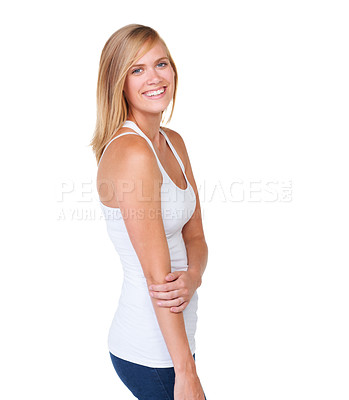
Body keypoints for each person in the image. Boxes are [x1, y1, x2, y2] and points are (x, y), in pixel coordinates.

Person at [91, 24, 208, 400]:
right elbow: (158, 280)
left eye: (161, 64)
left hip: (176, 343)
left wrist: (193, 276)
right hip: (151, 351)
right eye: (137, 69)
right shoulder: (133, 153)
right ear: (118, 82)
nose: (154, 77)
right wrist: (186, 373)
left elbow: (196, 237)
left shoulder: (173, 142)